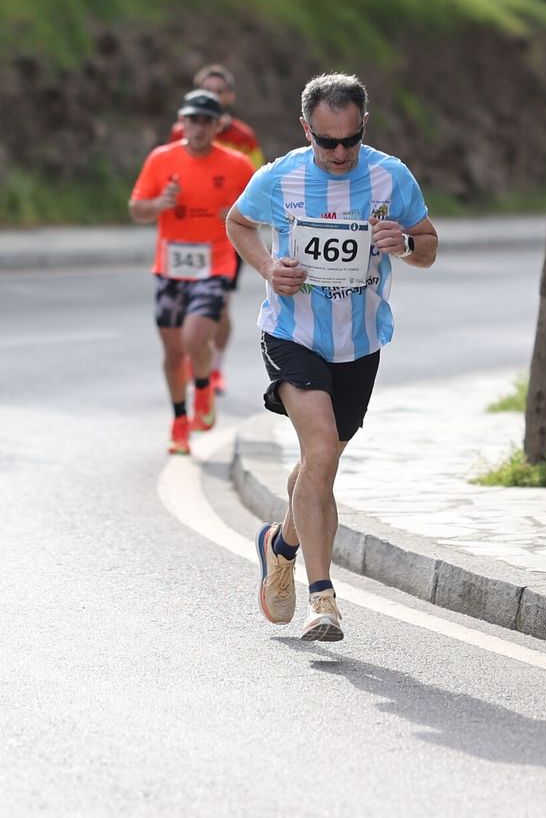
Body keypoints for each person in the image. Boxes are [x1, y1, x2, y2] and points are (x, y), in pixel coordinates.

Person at [227, 73, 438, 642]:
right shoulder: (280, 177)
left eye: (350, 140)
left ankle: (281, 545)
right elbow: (238, 223)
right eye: (327, 142)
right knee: (319, 448)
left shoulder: (391, 176)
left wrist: (406, 245)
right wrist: (270, 267)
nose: (340, 153)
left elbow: (429, 244)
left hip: (359, 343)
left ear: (363, 126)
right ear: (306, 130)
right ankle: (324, 600)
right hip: (292, 333)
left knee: (321, 463)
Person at [130, 89, 256, 454]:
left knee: (195, 340)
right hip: (170, 268)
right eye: (191, 120)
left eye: (205, 121)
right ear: (181, 123)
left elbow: (262, 212)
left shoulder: (236, 165)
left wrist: (236, 213)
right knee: (172, 354)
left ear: (217, 125)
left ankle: (202, 387)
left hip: (215, 265)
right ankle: (180, 421)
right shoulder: (161, 159)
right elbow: (137, 209)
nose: (197, 128)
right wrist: (159, 203)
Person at [169, 64, 264, 398]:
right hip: (186, 236)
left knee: (219, 306)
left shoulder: (243, 138)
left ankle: (216, 368)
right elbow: (171, 173)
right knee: (182, 307)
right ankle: (191, 359)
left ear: (230, 97)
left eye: (219, 91)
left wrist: (237, 208)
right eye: (206, 89)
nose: (213, 96)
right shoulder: (181, 130)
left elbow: (257, 184)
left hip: (226, 237)